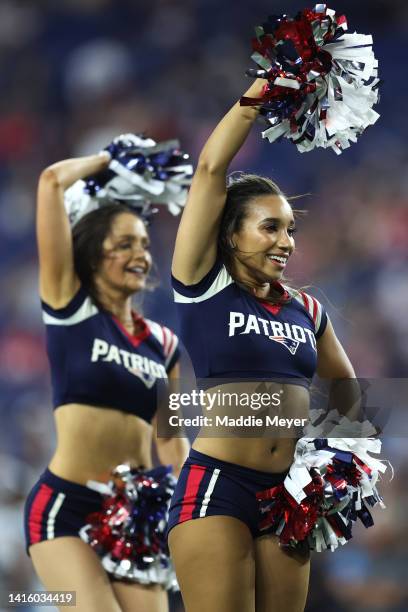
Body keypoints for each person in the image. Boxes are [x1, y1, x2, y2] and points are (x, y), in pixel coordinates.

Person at [167, 78, 356, 612]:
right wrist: (263, 90)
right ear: (231, 235)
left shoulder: (307, 309)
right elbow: (209, 170)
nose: (286, 242)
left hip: (287, 496)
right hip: (218, 487)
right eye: (270, 227)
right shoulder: (203, 284)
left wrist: (338, 457)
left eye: (291, 230)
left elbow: (346, 388)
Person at [24, 150, 189, 612]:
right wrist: (110, 160)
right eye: (124, 244)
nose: (140, 254)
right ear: (95, 251)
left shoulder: (165, 344)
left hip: (136, 517)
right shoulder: (70, 306)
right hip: (66, 509)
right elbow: (51, 181)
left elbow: (172, 442)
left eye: (143, 244)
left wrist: (198, 502)